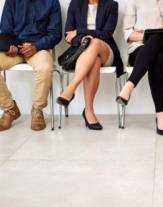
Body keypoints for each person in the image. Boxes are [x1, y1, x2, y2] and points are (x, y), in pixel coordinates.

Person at [116, 0, 163, 136]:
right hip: (139, 49)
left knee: (159, 39)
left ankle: (129, 85)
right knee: (157, 56)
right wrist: (148, 36)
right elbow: (128, 34)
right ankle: (161, 116)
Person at [57, 0, 123, 130]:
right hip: (84, 53)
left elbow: (106, 34)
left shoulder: (111, 5)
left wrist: (80, 31)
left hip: (105, 51)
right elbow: (68, 35)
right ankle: (89, 112)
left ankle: (71, 87)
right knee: (94, 61)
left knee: (96, 43)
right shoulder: (75, 4)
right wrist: (81, 39)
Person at [0, 0, 62, 131]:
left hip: (39, 48)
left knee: (45, 68)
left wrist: (36, 46)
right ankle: (10, 109)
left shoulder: (51, 2)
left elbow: (55, 34)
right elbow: (5, 30)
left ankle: (37, 110)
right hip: (15, 49)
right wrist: (10, 45)